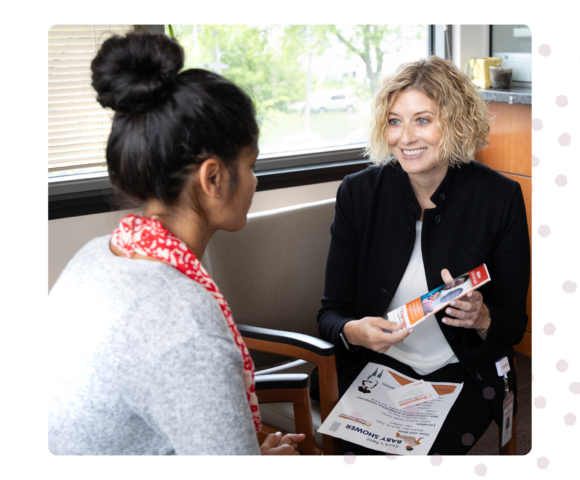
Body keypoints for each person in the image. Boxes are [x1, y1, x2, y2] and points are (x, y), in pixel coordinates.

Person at [47, 32, 305, 457]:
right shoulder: (186, 326)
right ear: (213, 178)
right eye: (252, 164)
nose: (256, 180)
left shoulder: (96, 255)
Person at [314, 55, 530, 456]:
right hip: (377, 366)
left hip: (464, 369)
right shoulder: (358, 194)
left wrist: (483, 319)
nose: (405, 137)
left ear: (456, 122)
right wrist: (353, 331)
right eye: (395, 121)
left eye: (423, 120)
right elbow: (330, 314)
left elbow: (514, 324)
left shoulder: (499, 198)